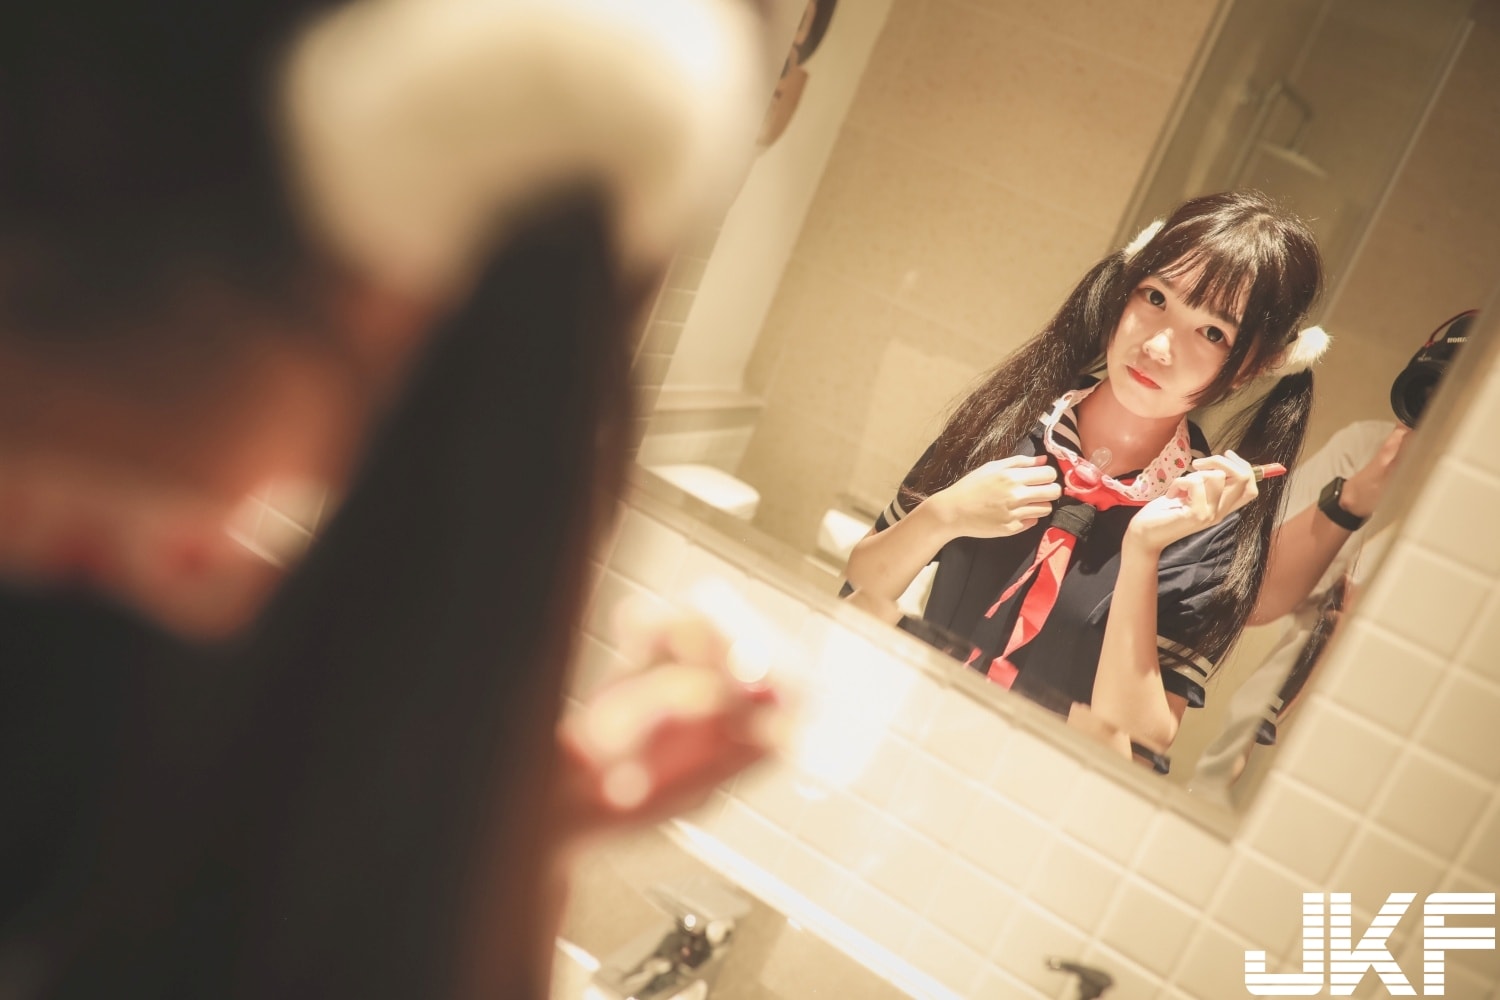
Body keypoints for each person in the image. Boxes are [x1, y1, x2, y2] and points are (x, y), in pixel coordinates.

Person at [0, 2, 779, 997]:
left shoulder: (104, 680)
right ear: (391, 294)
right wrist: (483, 842)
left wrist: (506, 821)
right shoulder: (111, 684)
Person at [843, 191, 1325, 754]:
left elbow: (1143, 737)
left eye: (1212, 332)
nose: (1159, 345)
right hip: (903, 736)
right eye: (1156, 297)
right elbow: (863, 580)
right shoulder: (1009, 423)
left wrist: (1143, 550)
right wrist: (943, 515)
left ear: (1250, 368)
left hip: (1038, 784)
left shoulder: (1204, 520)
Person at [1191, 309, 1480, 790]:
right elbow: (1253, 601)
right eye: (1438, 392)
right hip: (1252, 757)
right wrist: (1356, 497)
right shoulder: (1368, 449)